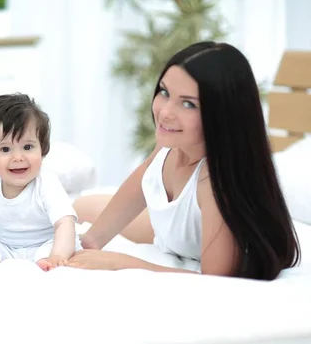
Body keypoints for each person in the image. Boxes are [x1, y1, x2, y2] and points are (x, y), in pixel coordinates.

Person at [69, 41, 301, 280]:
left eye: (188, 103)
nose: (166, 112)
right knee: (80, 206)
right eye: (164, 92)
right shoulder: (173, 142)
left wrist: (119, 262)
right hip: (170, 234)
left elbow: (214, 278)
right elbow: (142, 179)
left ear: (222, 114)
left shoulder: (214, 182)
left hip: (191, 240)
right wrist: (90, 241)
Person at [0, 93, 81, 271]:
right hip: (6, 250)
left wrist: (58, 255)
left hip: (46, 246)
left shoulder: (46, 183)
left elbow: (65, 223)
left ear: (42, 149)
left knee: (62, 244)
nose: (18, 157)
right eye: (5, 149)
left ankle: (47, 264)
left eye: (27, 147)